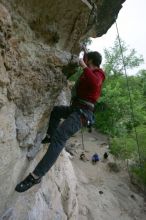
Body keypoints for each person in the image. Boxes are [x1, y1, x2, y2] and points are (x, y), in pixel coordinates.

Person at [15, 47, 105, 193]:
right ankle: (50, 135)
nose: (84, 60)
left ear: (91, 62)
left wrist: (83, 64)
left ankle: (36, 176)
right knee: (56, 111)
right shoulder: (91, 70)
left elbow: (94, 83)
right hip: (76, 108)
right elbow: (88, 66)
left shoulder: (98, 74)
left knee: (60, 138)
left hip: (83, 113)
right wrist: (85, 52)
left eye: (87, 60)